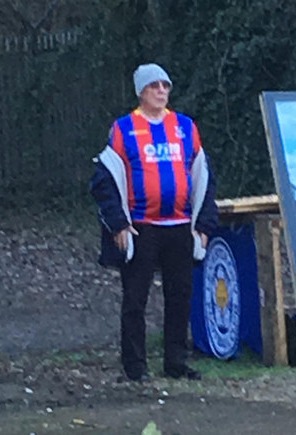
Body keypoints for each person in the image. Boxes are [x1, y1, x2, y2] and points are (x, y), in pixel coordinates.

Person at [90, 63, 218, 382]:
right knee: (135, 299)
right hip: (141, 227)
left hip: (179, 226)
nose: (161, 91)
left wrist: (203, 227)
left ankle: (176, 363)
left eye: (165, 85)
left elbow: (204, 177)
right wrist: (119, 225)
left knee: (180, 296)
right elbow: (104, 180)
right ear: (140, 92)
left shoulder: (185, 127)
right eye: (154, 86)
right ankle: (135, 367)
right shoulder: (123, 129)